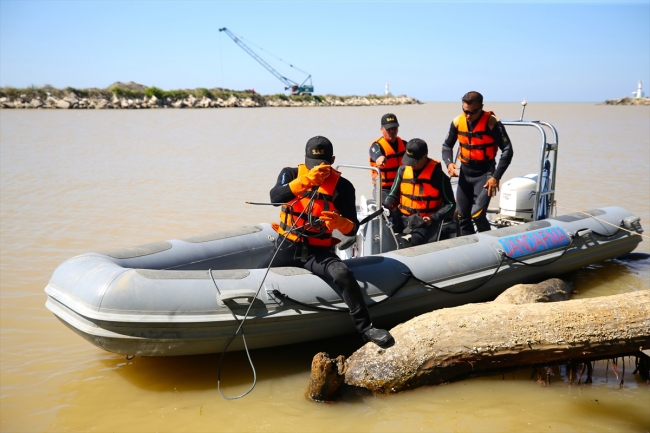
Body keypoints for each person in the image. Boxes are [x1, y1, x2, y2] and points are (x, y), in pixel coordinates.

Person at [259, 136, 394, 348]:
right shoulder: (290, 173)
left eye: (323, 165)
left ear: (332, 160)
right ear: (304, 159)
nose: (318, 170)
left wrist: (340, 222)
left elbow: (353, 228)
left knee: (342, 273)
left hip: (318, 251)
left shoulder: (344, 187)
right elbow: (275, 198)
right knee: (257, 276)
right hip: (287, 245)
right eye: (313, 165)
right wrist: (307, 181)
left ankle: (366, 327)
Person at [442, 91, 513, 235]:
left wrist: (496, 177)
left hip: (485, 173)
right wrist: (449, 163)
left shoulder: (492, 122)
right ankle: (468, 247)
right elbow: (446, 146)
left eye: (473, 112)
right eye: (465, 111)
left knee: (477, 214)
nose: (468, 116)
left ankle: (491, 243)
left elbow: (508, 150)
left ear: (481, 107)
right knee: (462, 216)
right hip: (465, 172)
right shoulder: (457, 122)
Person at [383, 139, 456, 246]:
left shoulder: (438, 175)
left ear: (424, 157)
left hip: (425, 222)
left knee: (414, 240)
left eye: (414, 162)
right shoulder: (402, 170)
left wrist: (433, 218)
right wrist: (385, 207)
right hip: (403, 217)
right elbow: (393, 195)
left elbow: (451, 204)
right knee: (381, 229)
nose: (411, 165)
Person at [369, 113, 407, 227]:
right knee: (392, 211)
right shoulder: (376, 146)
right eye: (389, 129)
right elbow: (375, 154)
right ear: (382, 129)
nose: (392, 131)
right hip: (383, 188)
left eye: (394, 128)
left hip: (401, 186)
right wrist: (379, 158)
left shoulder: (404, 144)